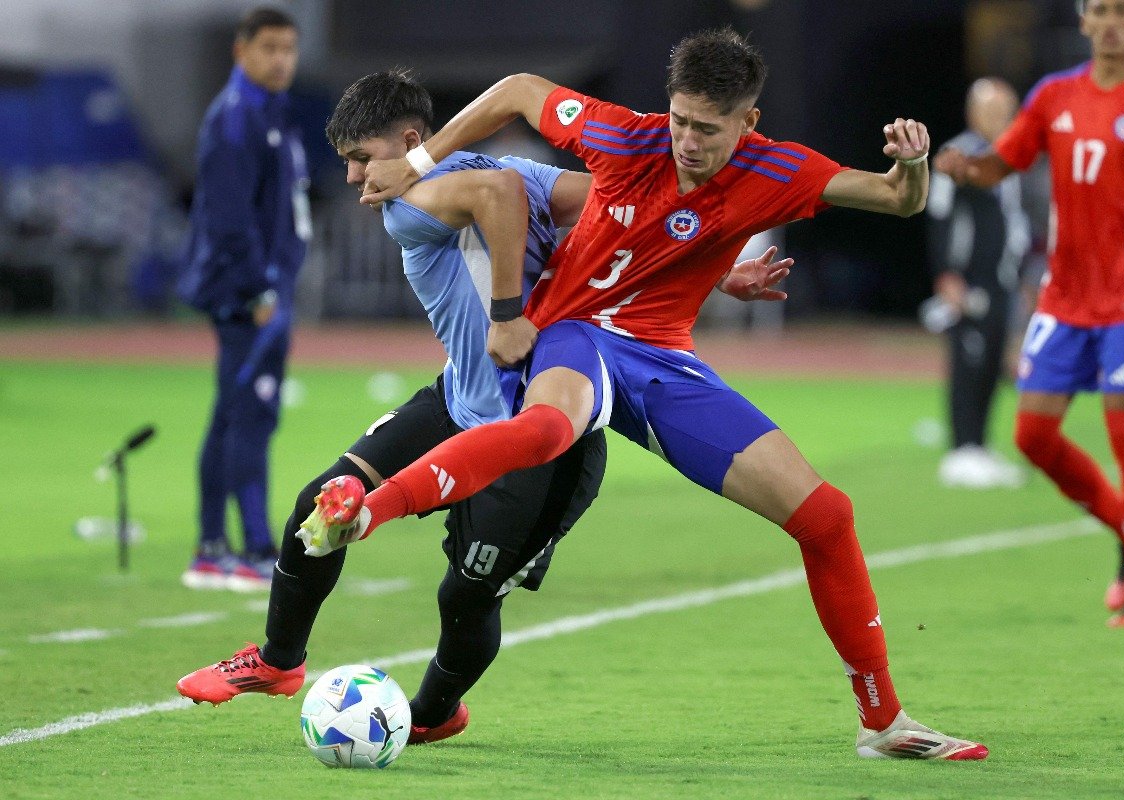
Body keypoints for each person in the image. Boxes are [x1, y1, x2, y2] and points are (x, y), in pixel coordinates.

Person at [307, 29, 989, 760]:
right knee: (544, 431)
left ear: (747, 123)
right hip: (576, 334)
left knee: (826, 516)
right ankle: (364, 511)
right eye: (680, 119)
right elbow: (513, 89)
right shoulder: (628, 138)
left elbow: (896, 198)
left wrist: (913, 166)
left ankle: (884, 722)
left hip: (662, 358)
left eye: (707, 127)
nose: (687, 140)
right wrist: (418, 160)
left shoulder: (778, 171)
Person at [176, 68, 787, 743]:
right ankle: (277, 660)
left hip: (545, 439)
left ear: (411, 142)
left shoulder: (421, 197)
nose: (353, 178)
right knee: (320, 501)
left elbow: (506, 197)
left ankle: (434, 714)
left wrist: (505, 315)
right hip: (459, 401)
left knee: (464, 597)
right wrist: (720, 272)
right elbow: (625, 216)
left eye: (361, 158)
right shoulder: (504, 171)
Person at [936, 0, 1124, 626]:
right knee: (1032, 435)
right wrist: (960, 168)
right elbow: (1002, 163)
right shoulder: (1053, 95)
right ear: (1083, 23)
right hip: (1063, 296)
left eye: (1123, 11)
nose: (1110, 21)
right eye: (1099, 10)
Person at [176, 7, 310, 591]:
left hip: (263, 289)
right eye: (270, 47)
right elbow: (229, 216)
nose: (281, 59)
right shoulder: (236, 117)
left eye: (289, 48)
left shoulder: (269, 112)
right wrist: (259, 288)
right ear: (242, 50)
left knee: (237, 412)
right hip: (246, 293)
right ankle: (251, 547)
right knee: (248, 413)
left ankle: (214, 545)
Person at [926, 78, 1029, 489]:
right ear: (973, 113)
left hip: (1002, 279)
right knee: (968, 359)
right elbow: (940, 215)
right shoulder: (958, 155)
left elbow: (1013, 223)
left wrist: (1019, 276)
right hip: (969, 279)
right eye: (992, 111)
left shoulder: (1008, 158)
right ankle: (961, 449)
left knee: (993, 363)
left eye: (1007, 111)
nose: (1001, 119)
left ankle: (980, 446)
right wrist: (946, 273)